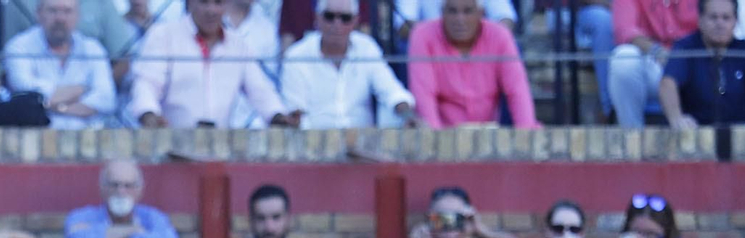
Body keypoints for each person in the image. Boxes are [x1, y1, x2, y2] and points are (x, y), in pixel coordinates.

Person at [129, 0, 296, 129]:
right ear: (190, 2)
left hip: (219, 147)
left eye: (218, 2)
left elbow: (260, 90)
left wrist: (278, 116)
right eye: (204, 2)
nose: (211, 10)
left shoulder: (238, 45)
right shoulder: (163, 35)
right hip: (170, 143)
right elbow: (147, 83)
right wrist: (148, 113)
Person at [280, 0, 417, 128]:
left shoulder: (366, 48)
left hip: (364, 144)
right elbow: (296, 112)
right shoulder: (296, 55)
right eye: (329, 16)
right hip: (313, 144)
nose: (337, 24)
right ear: (317, 18)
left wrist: (407, 115)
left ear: (355, 21)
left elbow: (391, 91)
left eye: (345, 18)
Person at [407, 0, 537, 129]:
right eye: (452, 11)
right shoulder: (423, 35)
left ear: (481, 13)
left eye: (468, 11)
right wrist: (435, 140)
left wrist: (527, 134)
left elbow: (517, 90)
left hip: (488, 132)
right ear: (442, 13)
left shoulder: (499, 35)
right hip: (443, 133)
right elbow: (423, 94)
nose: (460, 19)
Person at [1, 0, 116, 130]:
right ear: (39, 14)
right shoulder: (19, 47)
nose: (60, 18)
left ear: (78, 16)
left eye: (67, 11)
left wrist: (53, 106)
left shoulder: (93, 49)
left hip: (88, 140)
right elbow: (25, 96)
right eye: (53, 11)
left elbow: (106, 100)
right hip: (34, 139)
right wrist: (81, 89)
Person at [661, 0, 745, 128]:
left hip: (739, 133)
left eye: (726, 18)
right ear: (700, 20)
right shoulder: (686, 47)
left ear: (735, 21)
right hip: (695, 134)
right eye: (713, 17)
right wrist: (677, 118)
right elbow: (668, 84)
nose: (720, 23)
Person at [64, 159, 179, 238]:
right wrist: (134, 230)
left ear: (139, 191)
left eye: (128, 186)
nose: (121, 192)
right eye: (114, 185)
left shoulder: (153, 217)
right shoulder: (81, 216)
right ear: (102, 188)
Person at [610, 0, 698, 126]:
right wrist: (657, 51)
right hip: (655, 62)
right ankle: (632, 136)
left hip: (694, 62)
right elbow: (625, 30)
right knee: (624, 58)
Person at [408, 185, 518, 238]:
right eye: (442, 217)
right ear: (430, 218)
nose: (449, 222)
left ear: (468, 217)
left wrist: (481, 231)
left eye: (456, 217)